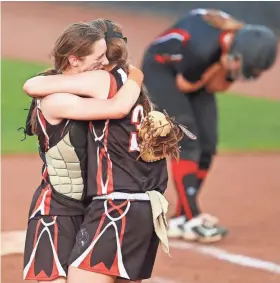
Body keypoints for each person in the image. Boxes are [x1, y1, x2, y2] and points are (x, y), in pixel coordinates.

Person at [23, 19, 185, 283]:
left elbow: (34, 86)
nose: (99, 62)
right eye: (94, 56)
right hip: (136, 206)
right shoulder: (137, 92)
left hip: (109, 206)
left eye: (101, 56)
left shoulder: (103, 83)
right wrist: (136, 75)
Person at [141, 8, 278, 243]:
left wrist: (222, 69)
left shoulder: (235, 46)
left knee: (208, 143)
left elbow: (217, 87)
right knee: (187, 136)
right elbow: (186, 86)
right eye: (236, 64)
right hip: (160, 70)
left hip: (199, 74)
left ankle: (182, 216)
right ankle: (192, 216)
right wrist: (218, 68)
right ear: (233, 49)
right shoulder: (202, 47)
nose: (237, 70)